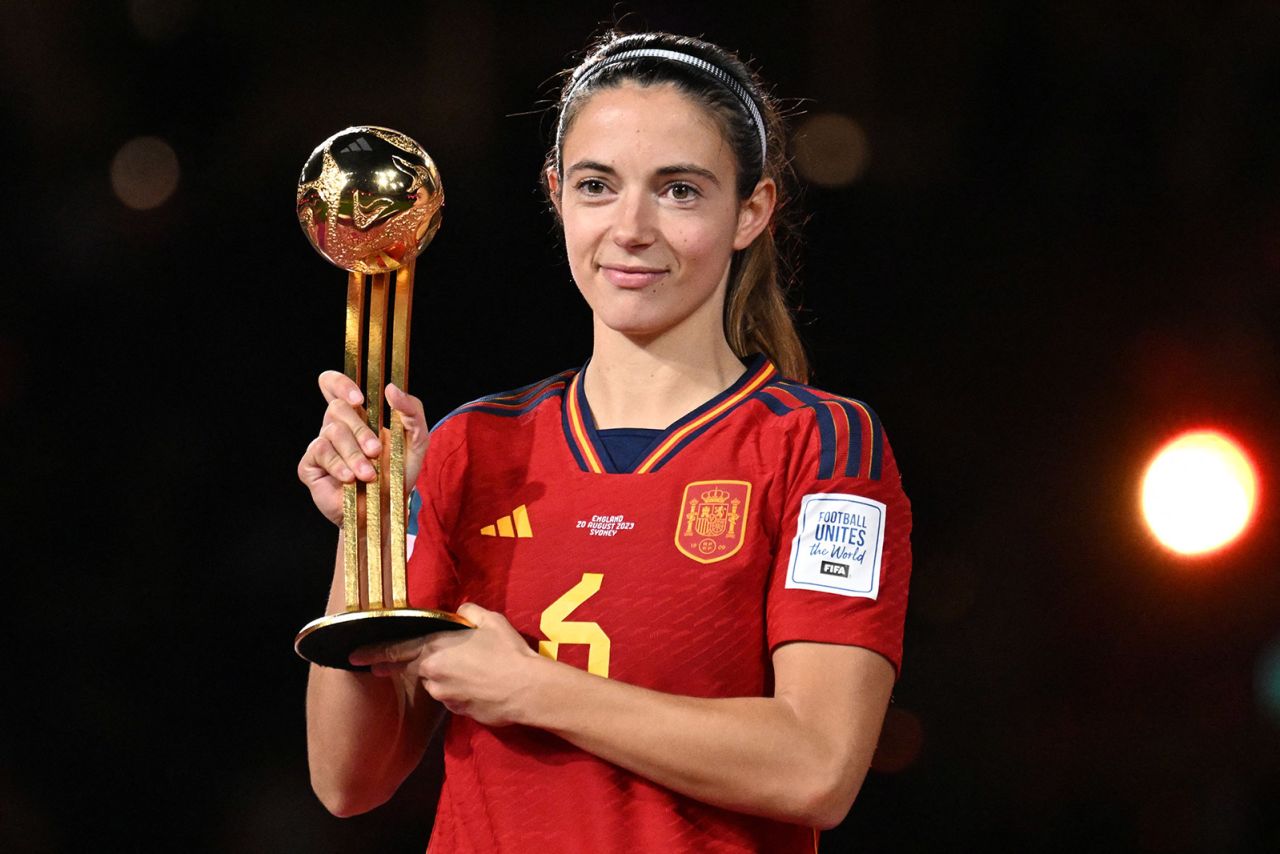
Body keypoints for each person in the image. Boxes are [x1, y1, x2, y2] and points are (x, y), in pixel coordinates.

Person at [299, 30, 912, 853]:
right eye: (597, 185)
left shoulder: (823, 446)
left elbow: (815, 768)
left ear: (752, 211)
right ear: (556, 196)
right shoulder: (468, 446)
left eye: (680, 191)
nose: (631, 227)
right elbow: (348, 779)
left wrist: (532, 689)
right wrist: (367, 528)